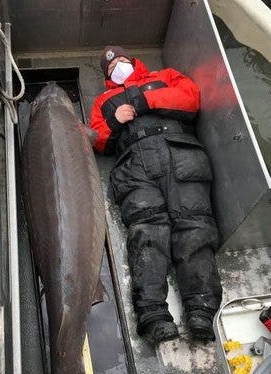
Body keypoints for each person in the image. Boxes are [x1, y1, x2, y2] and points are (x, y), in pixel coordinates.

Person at [89, 46, 222, 344]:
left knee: (194, 226)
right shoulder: (103, 100)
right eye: (110, 69)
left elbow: (190, 98)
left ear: (133, 61)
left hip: (180, 153)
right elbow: (97, 139)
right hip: (134, 165)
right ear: (106, 77)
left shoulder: (164, 77)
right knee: (147, 232)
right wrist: (114, 121)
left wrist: (145, 99)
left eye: (121, 61)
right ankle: (153, 315)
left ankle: (201, 309)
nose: (117, 67)